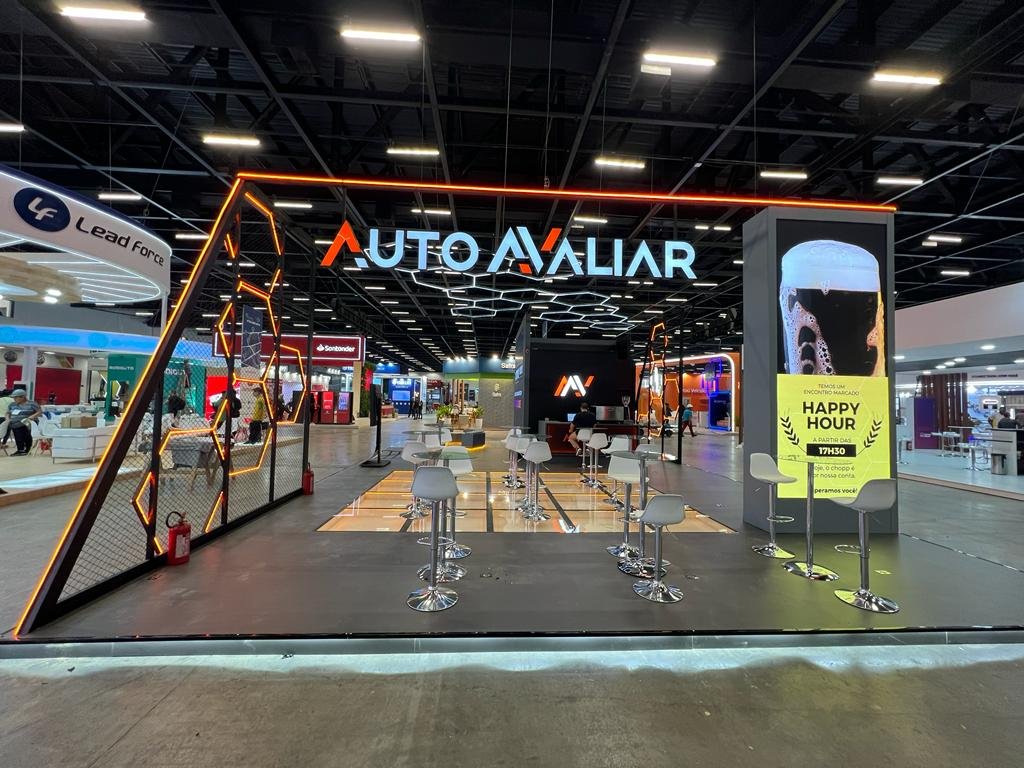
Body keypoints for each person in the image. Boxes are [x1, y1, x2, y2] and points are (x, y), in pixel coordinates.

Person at [6, 389, 42, 456]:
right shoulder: (12, 404)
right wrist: (7, 419)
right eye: (14, 397)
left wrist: (32, 416)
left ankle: (25, 449)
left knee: (25, 436)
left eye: (16, 397)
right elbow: (8, 413)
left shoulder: (32, 404)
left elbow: (39, 412)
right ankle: (21, 450)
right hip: (14, 424)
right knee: (18, 437)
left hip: (27, 423)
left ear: (22, 397)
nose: (14, 399)